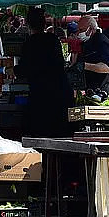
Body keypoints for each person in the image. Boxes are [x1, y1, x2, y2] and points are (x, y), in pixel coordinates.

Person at [16, 7, 74, 137]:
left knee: (42, 136)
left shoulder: (30, 43)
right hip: (62, 94)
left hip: (42, 97)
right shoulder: (53, 40)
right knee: (60, 137)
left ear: (27, 24)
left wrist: (11, 70)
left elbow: (24, 70)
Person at [77, 16, 109, 93]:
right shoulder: (86, 42)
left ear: (91, 29)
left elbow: (107, 68)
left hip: (103, 91)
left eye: (81, 30)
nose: (78, 33)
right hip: (91, 90)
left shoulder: (101, 41)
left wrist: (83, 66)